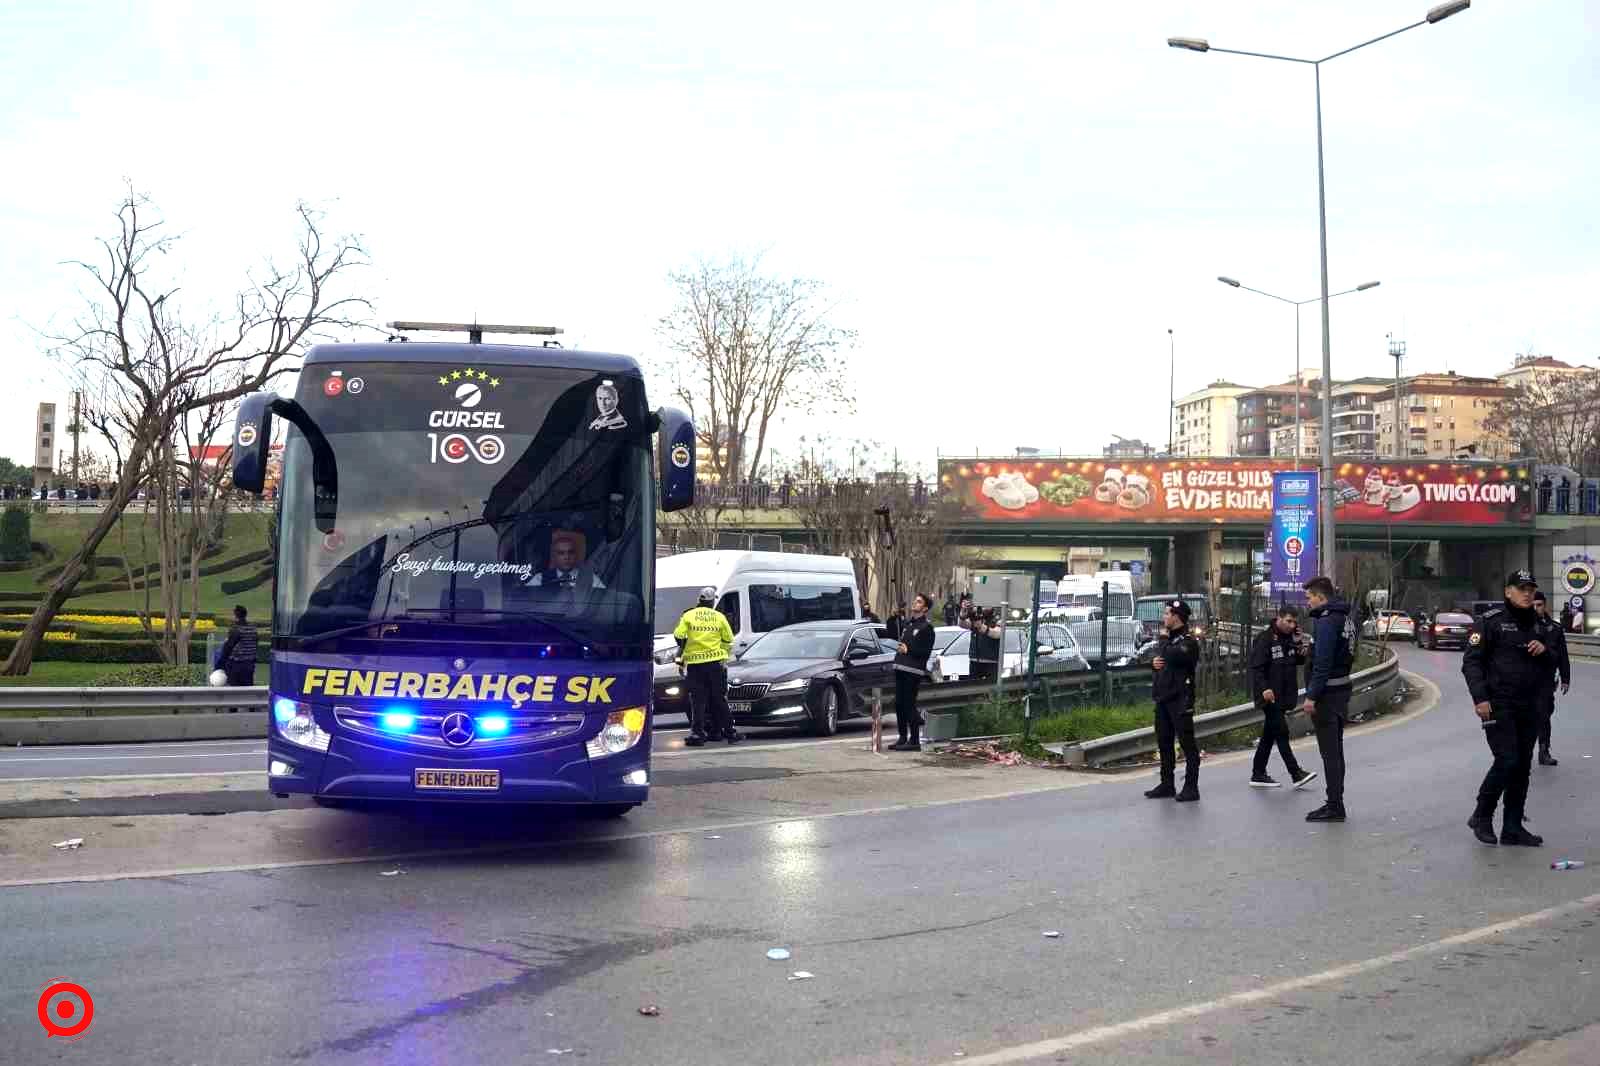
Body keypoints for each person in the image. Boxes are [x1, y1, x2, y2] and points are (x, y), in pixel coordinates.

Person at [1461, 570, 1548, 847]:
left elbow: (1554, 661)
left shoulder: (1540, 625)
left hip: (1530, 705)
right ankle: (1482, 814)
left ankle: (1512, 827)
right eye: (1521, 588)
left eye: (1530, 589)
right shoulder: (1491, 623)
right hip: (1499, 705)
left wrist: (1545, 651)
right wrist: (1480, 698)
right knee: (1507, 760)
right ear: (1508, 592)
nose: (1527, 593)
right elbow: (1471, 663)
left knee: (1522, 767)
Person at [1301, 576, 1356, 822]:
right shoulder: (1345, 618)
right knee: (1336, 752)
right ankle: (1336, 801)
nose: (1308, 602)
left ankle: (1334, 805)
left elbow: (1322, 663)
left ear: (1321, 597)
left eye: (1309, 597)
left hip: (1327, 696)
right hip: (1341, 690)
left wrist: (1311, 696)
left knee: (1330, 754)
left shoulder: (1325, 622)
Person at [1246, 606, 1318, 790]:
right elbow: (1257, 667)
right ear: (1278, 618)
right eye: (1288, 621)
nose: (1291, 625)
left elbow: (1298, 661)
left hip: (1284, 695)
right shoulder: (1265, 639)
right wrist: (1264, 688)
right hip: (1269, 695)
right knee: (1282, 733)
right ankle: (1296, 773)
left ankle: (1258, 773)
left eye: (1294, 622)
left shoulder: (1290, 639)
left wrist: (1299, 644)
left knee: (1269, 735)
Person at [1145, 599, 1201, 802]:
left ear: (1177, 616)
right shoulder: (1169, 640)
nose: (1164, 617)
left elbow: (1173, 657)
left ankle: (1191, 787)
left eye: (1167, 614)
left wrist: (1162, 642)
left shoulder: (1187, 641)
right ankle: (1167, 783)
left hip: (1180, 699)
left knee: (1187, 744)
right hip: (1163, 697)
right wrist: (1153, 664)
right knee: (1164, 743)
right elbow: (1161, 662)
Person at [672, 586, 741, 746]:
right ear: (712, 601)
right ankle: (731, 732)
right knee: (719, 699)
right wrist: (722, 655)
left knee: (698, 701)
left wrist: (684, 650)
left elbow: (679, 635)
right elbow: (729, 639)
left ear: (699, 600)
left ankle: (697, 734)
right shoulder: (719, 617)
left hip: (695, 666)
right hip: (715, 665)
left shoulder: (688, 615)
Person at [891, 593, 938, 751]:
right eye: (915, 601)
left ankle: (915, 739)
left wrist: (908, 649)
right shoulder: (908, 624)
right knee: (898, 704)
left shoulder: (927, 627)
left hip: (913, 671)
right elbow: (890, 633)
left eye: (919, 602)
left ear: (924, 608)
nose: (915, 603)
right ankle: (902, 737)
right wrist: (893, 618)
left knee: (908, 704)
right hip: (900, 668)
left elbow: (925, 652)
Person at [1531, 591, 1571, 767]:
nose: (1535, 608)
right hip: (1522, 680)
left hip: (1545, 680)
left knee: (1544, 715)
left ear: (1544, 606)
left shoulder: (1555, 628)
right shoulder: (1521, 625)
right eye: (1532, 605)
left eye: (1539, 605)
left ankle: (1544, 750)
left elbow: (1563, 655)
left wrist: (1565, 678)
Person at [527, 530, 606, 590]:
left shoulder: (591, 579)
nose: (567, 557)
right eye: (561, 553)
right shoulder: (539, 579)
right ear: (554, 556)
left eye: (570, 552)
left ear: (576, 555)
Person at [217, 605, 258, 687]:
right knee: (248, 690)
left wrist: (220, 664)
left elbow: (228, 647)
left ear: (236, 615)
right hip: (249, 664)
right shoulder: (253, 629)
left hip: (236, 665)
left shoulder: (236, 629)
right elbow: (255, 644)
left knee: (234, 690)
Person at [968, 606, 1002, 682]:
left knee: (991, 688)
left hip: (991, 661)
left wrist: (981, 626)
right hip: (975, 660)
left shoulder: (998, 617)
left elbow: (997, 634)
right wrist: (963, 613)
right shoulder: (976, 614)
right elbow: (963, 624)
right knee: (973, 689)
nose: (984, 607)